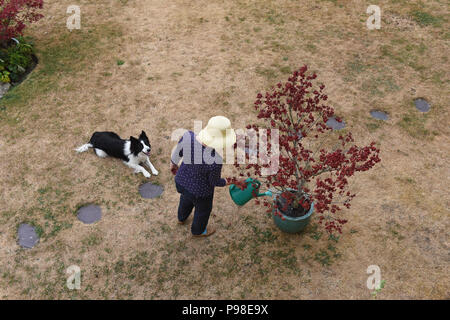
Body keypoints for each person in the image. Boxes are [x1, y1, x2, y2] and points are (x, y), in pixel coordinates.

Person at [171, 116, 246, 237]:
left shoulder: (188, 136)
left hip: (181, 181)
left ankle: (181, 218)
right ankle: (198, 231)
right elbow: (214, 182)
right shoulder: (215, 160)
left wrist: (173, 166)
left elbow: (176, 155)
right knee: (202, 211)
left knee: (185, 199)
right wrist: (233, 181)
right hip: (200, 193)